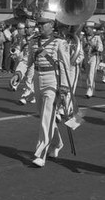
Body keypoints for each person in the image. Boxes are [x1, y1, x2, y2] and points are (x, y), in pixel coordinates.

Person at [23, 10, 72, 167]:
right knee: (44, 116)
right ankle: (57, 143)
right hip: (38, 78)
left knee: (46, 117)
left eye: (43, 23)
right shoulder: (33, 41)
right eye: (39, 23)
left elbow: (66, 66)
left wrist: (64, 87)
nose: (40, 26)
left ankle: (41, 153)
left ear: (51, 25)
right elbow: (26, 60)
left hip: (53, 80)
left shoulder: (60, 43)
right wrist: (18, 73)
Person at [82, 20, 103, 98]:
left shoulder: (97, 37)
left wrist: (93, 45)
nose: (86, 30)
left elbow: (101, 48)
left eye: (87, 28)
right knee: (87, 75)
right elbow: (82, 47)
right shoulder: (84, 37)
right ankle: (90, 88)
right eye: (85, 28)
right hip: (86, 56)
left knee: (91, 74)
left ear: (91, 28)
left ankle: (89, 90)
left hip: (94, 57)